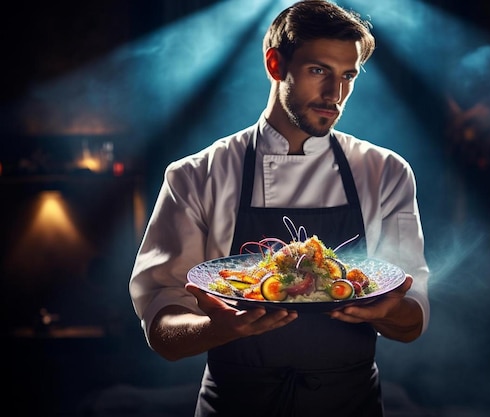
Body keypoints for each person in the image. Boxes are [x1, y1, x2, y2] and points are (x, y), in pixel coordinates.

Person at [129, 1, 430, 416]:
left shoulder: (386, 172)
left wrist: (390, 309)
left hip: (350, 404)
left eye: (348, 76)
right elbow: (161, 327)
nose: (335, 95)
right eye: (319, 71)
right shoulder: (196, 175)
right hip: (235, 404)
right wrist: (213, 329)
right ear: (275, 64)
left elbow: (413, 321)